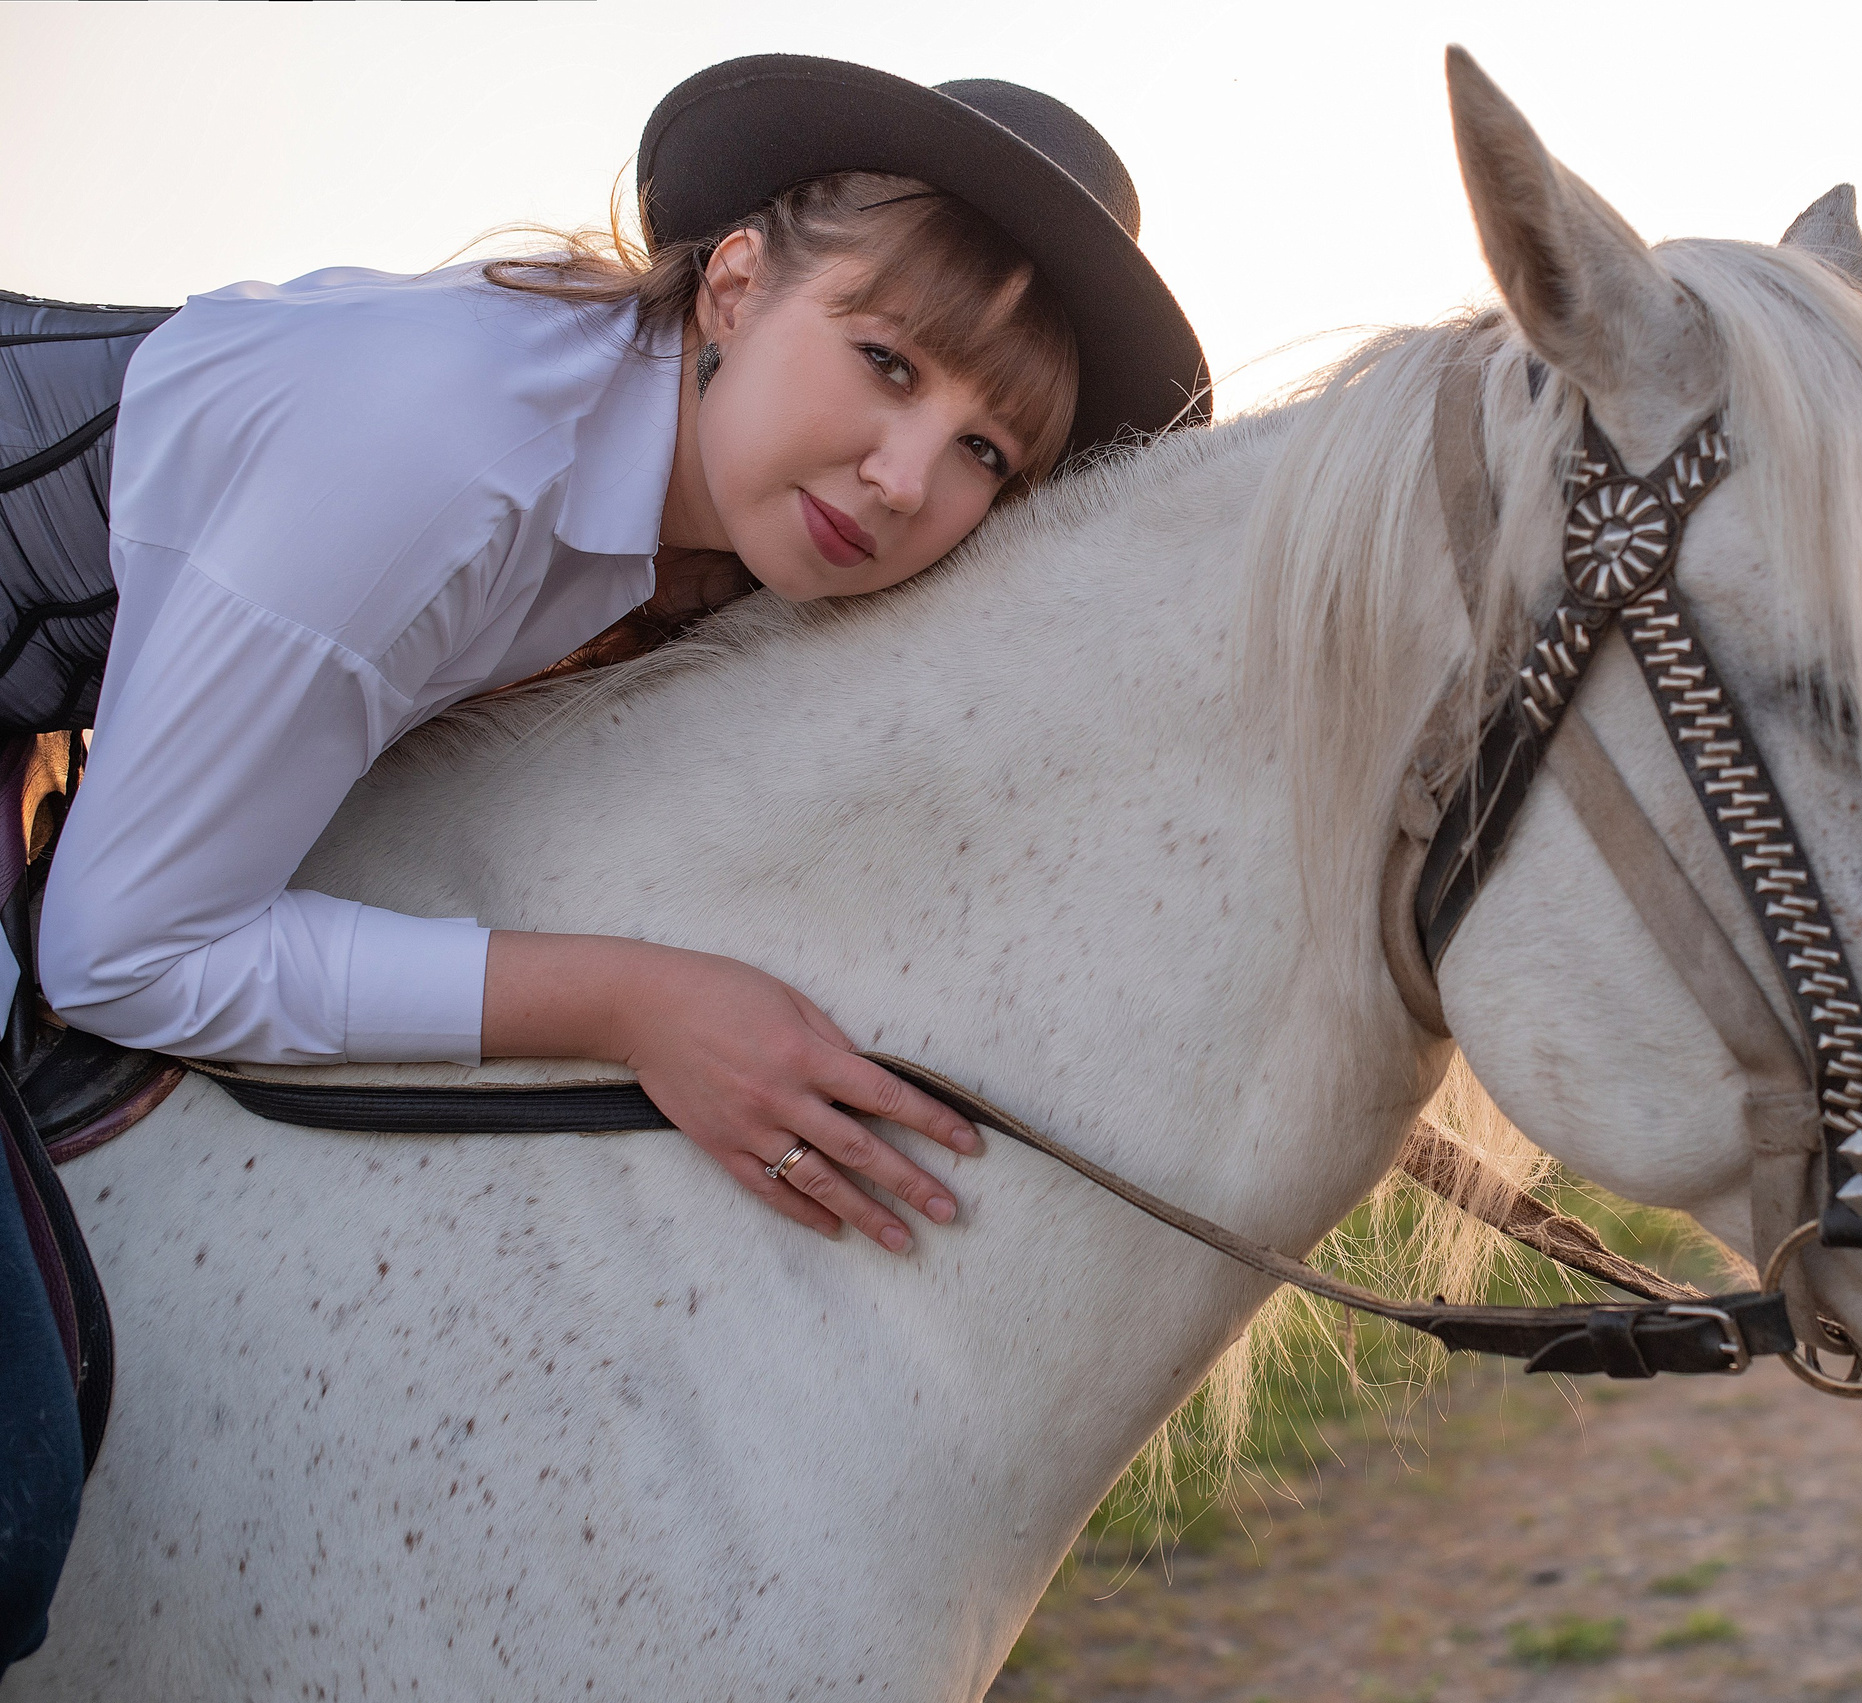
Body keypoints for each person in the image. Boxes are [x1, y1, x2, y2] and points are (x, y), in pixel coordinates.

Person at [0, 53, 1209, 1673]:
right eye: (885, 361)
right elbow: (127, 955)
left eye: (989, 452)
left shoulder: (666, 512)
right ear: (733, 282)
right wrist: (639, 1004)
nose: (910, 477)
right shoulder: (449, 459)